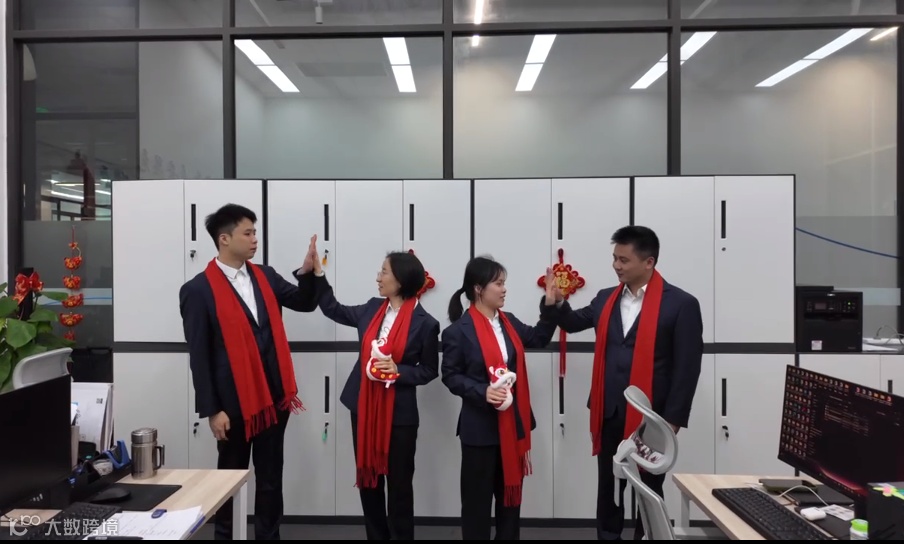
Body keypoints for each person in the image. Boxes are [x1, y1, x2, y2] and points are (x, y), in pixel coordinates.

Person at [542, 225, 704, 541]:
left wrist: (672, 420)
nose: (616, 265)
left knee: (648, 489)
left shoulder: (681, 304)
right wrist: (558, 303)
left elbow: (687, 368)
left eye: (624, 260)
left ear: (649, 262)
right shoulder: (606, 298)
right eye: (615, 258)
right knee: (609, 486)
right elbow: (572, 323)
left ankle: (647, 537)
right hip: (609, 410)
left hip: (653, 418)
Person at [179, 203, 321, 541]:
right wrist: (212, 410)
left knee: (271, 479)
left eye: (255, 232)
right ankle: (226, 536)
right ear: (224, 239)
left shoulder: (265, 276)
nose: (255, 238)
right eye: (248, 233)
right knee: (228, 481)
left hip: (274, 399)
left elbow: (304, 302)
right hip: (232, 406)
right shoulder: (198, 290)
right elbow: (200, 356)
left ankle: (268, 536)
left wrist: (307, 272)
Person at [307, 244, 441, 540]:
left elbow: (430, 370)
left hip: (400, 414)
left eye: (384, 272)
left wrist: (398, 371)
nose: (378, 277)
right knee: (369, 482)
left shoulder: (426, 324)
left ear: (401, 280)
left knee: (400, 486)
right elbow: (333, 308)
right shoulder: (371, 309)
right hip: (364, 407)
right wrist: (318, 274)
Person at [441, 256, 559, 540]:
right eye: (498, 283)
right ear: (478, 288)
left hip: (512, 424)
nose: (504, 289)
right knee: (477, 505)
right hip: (479, 429)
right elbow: (451, 376)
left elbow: (539, 338)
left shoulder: (509, 322)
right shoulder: (458, 331)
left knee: (510, 502)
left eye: (504, 283)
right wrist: (482, 391)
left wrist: (550, 304)